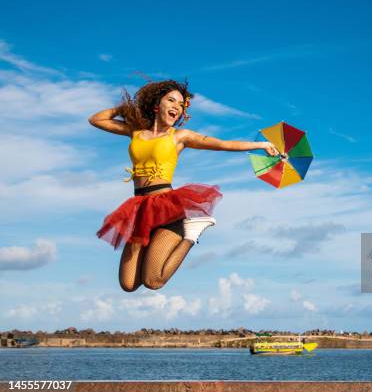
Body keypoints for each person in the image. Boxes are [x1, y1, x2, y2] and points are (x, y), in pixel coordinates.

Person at [89, 80, 279, 292]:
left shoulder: (180, 136)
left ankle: (191, 234)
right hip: (139, 209)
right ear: (156, 104)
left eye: (181, 105)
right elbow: (96, 119)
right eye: (171, 100)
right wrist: (126, 109)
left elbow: (224, 144)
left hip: (166, 209)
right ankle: (184, 236)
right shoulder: (135, 132)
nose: (176, 108)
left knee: (153, 281)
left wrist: (262, 144)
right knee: (128, 284)